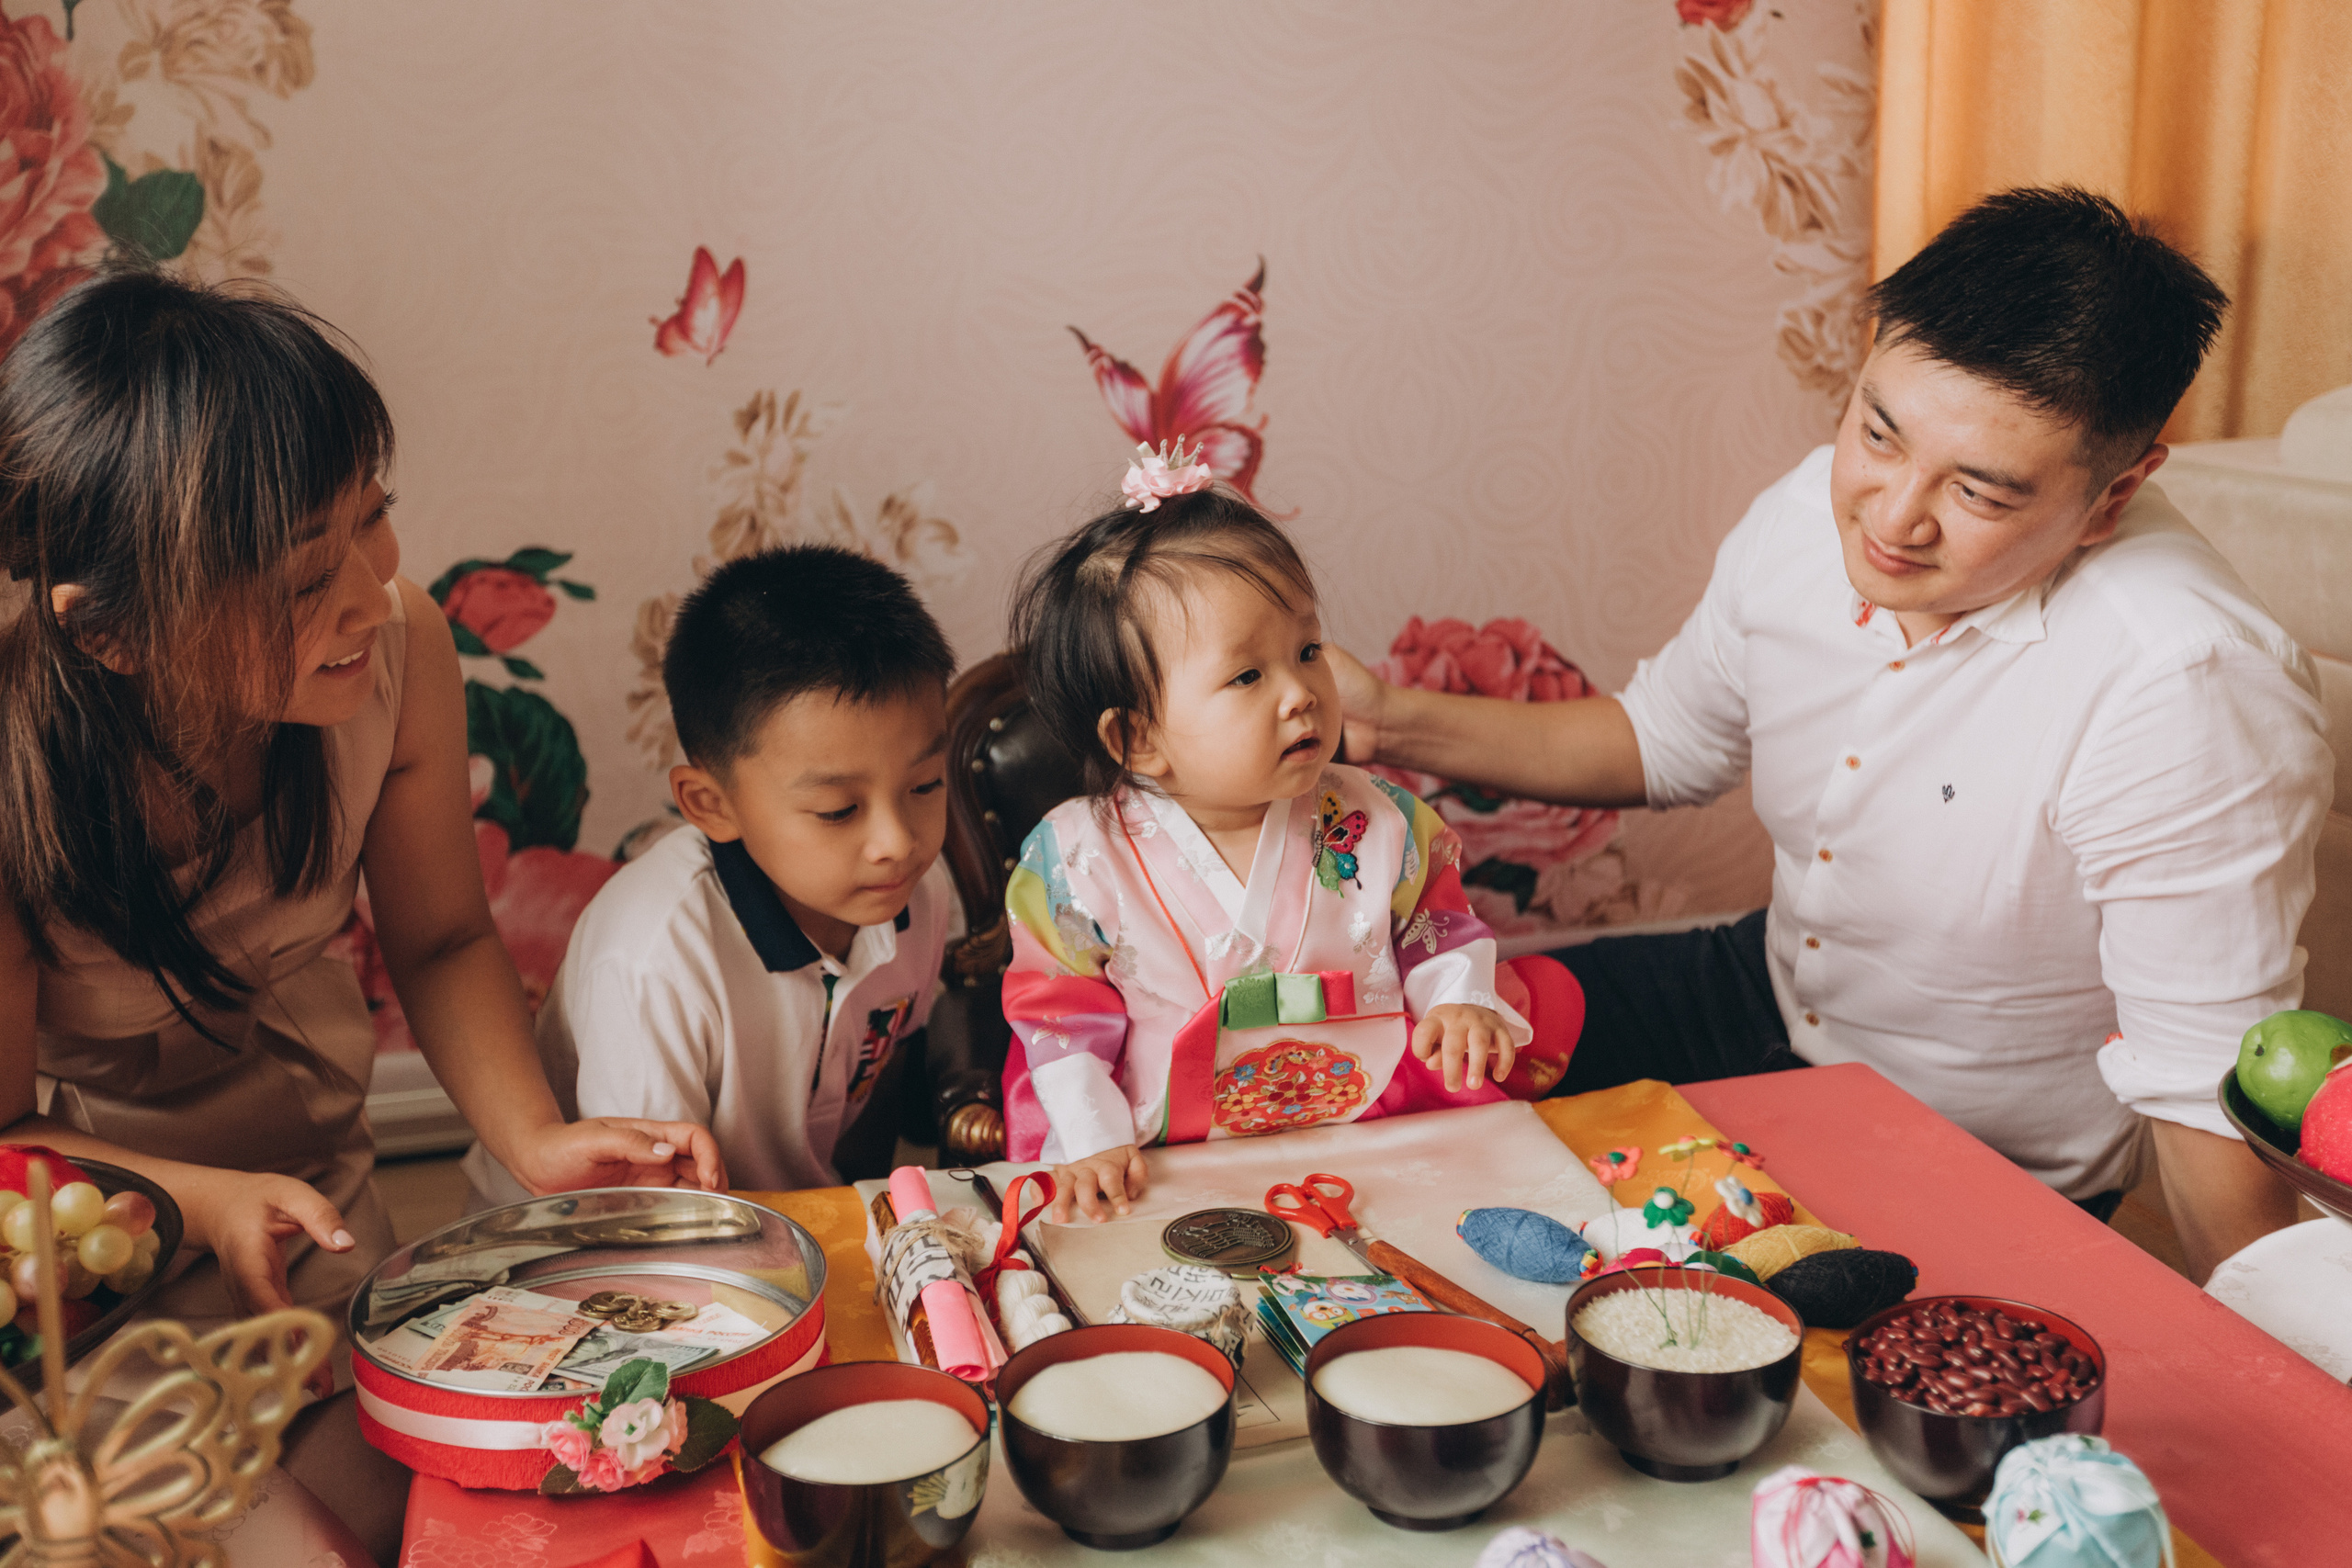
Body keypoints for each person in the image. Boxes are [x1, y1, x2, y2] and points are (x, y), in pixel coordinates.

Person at [1329, 187, 2327, 1283]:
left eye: (1979, 493)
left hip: (1971, 1145)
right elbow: (1662, 742)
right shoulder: (1815, 508)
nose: (1892, 518)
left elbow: (2199, 1091)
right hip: (1765, 985)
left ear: (2114, 494)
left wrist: (2282, 1364)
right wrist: (1383, 717)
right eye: (1878, 432)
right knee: (1387, 1065)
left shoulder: (2181, 684)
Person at [0, 269, 723, 1559]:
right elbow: (3, 1140)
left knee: (463, 1516)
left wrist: (539, 1138)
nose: (368, 589)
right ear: (110, 634)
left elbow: (442, 937)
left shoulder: (400, 645)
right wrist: (202, 1200)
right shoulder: (16, 781)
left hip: (316, 1202)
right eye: (297, 578)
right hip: (94, 1260)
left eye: (371, 519)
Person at [1002, 448, 1583, 1221]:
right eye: (1248, 676)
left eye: (1307, 651)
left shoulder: (1380, 818)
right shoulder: (1078, 858)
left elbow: (1437, 928)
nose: (1300, 694)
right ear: (1138, 738)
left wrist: (1459, 999)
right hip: (1166, 1154)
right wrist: (1093, 1142)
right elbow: (1061, 1016)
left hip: (1363, 1131)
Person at [463, 544, 962, 1203]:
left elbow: (878, 1089)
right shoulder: (655, 958)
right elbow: (649, 1211)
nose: (897, 841)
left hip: (791, 1223)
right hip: (593, 1246)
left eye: (925, 785)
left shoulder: (914, 892)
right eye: (838, 809)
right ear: (712, 805)